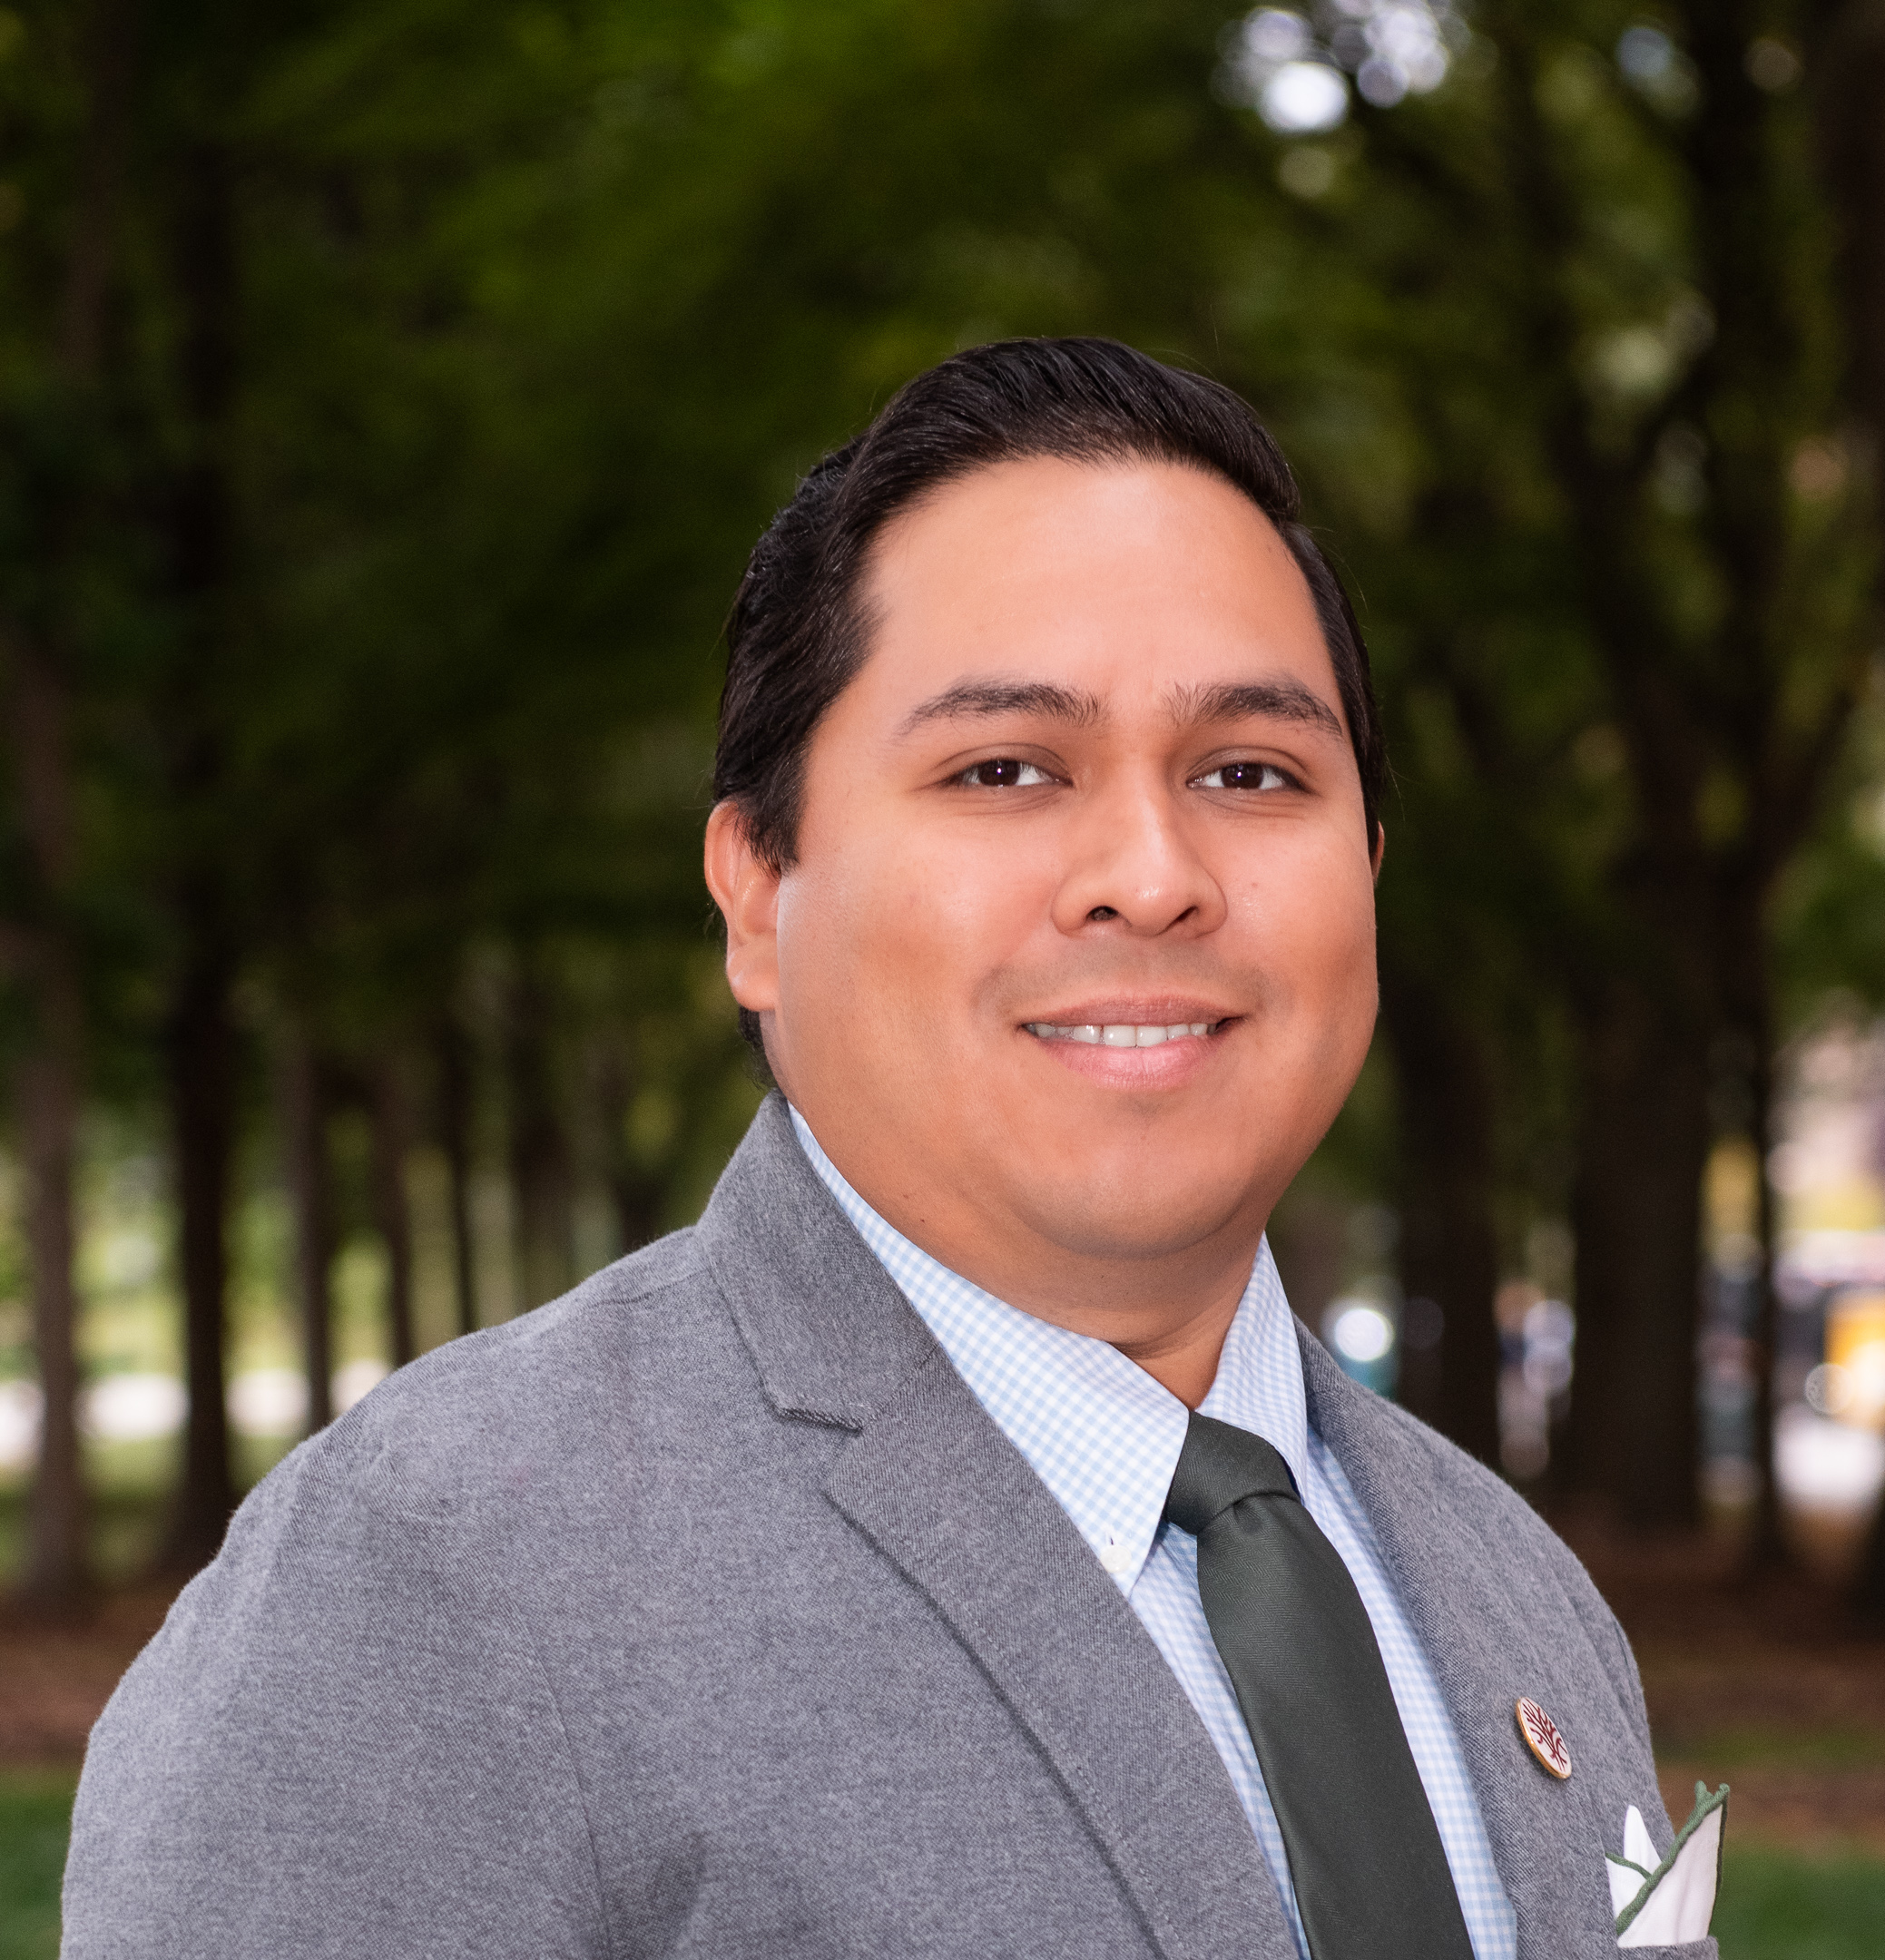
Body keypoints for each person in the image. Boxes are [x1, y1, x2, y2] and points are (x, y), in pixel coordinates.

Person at [64, 338, 1706, 1959]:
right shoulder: (427, 1590)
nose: (1150, 871)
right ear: (757, 896)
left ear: (1367, 868)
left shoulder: (1517, 1587)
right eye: (1005, 769)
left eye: (1250, 772)